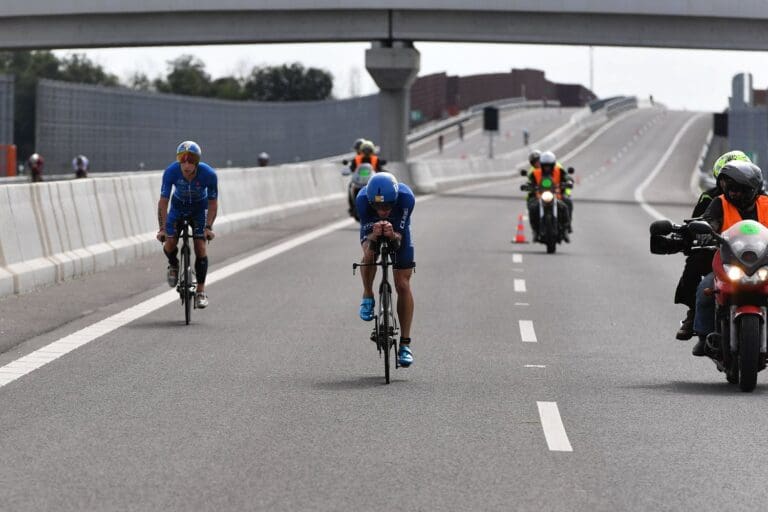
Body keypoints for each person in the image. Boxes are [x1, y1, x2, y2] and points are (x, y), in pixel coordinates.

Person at [673, 150, 751, 341]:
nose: (735, 187)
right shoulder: (713, 199)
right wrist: (697, 235)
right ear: (721, 180)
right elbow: (699, 222)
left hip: (756, 254)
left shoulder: (762, 199)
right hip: (720, 252)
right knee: (696, 267)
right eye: (729, 180)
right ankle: (695, 316)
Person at [692, 160, 767, 356]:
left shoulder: (766, 204)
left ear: (751, 190)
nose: (732, 193)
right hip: (728, 263)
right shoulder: (720, 203)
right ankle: (704, 337)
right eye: (730, 188)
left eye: (738, 189)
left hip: (762, 263)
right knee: (705, 289)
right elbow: (710, 221)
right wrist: (705, 231)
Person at [356, 172, 416, 367]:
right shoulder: (363, 200)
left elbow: (398, 242)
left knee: (402, 283)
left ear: (395, 200)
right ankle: (367, 295)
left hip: (398, 230)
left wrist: (392, 235)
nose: (382, 211)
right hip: (371, 230)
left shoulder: (406, 199)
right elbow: (366, 245)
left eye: (387, 206)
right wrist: (373, 236)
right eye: (378, 207)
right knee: (369, 255)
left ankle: (405, 344)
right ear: (371, 202)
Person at [156, 141, 218, 309]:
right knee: (169, 243)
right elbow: (163, 202)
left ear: (197, 162)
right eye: (182, 160)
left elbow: (212, 203)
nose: (186, 164)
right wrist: (162, 229)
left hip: (199, 209)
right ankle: (174, 264)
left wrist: (208, 227)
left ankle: (200, 291)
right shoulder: (170, 172)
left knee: (200, 247)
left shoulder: (209, 174)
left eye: (191, 160)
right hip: (177, 208)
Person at [526, 150, 571, 240]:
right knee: (532, 208)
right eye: (545, 165)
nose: (547, 168)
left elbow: (566, 177)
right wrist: (528, 186)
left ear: (553, 164)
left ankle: (566, 229)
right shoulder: (535, 173)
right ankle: (535, 230)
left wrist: (569, 182)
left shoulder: (559, 170)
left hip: (556, 196)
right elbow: (530, 182)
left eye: (549, 165)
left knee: (567, 204)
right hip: (540, 196)